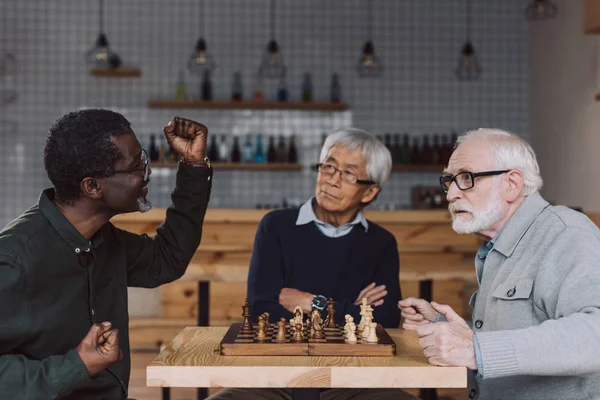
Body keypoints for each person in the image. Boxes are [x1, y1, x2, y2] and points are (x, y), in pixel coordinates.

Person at [0, 109, 212, 399]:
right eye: (137, 166)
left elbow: (166, 258)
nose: (146, 174)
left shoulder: (101, 239)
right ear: (93, 186)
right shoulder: (14, 260)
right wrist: (78, 365)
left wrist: (193, 166)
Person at [207, 128, 412, 400]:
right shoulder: (276, 227)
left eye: (348, 174)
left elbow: (384, 322)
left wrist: (311, 302)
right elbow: (261, 311)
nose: (331, 180)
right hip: (275, 375)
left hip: (354, 377)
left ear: (370, 191)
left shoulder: (381, 243)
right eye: (328, 167)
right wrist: (349, 309)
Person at [398, 128, 600, 399]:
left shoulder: (567, 234)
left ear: (512, 184)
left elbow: (594, 335)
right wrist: (449, 329)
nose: (450, 195)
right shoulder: (496, 245)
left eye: (466, 178)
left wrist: (477, 350)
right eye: (449, 180)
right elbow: (517, 335)